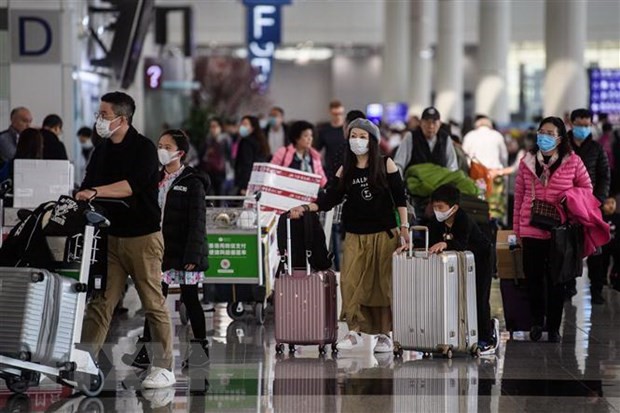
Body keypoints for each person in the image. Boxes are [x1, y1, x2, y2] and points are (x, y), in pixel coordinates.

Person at [76, 91, 175, 389]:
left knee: (152, 302)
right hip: (111, 237)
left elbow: (131, 186)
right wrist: (84, 195)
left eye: (104, 115)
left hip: (143, 238)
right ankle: (82, 359)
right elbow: (87, 183)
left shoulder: (144, 149)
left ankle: (164, 366)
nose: (99, 120)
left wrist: (96, 192)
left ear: (122, 119)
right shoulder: (102, 149)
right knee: (102, 301)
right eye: (99, 114)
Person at [290, 118, 410, 353]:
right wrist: (305, 208)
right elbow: (328, 199)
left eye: (362, 137)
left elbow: (400, 198)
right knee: (350, 282)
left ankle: (385, 334)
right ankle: (354, 330)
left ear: (372, 141)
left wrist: (404, 228)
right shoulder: (345, 170)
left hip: (384, 235)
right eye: (353, 136)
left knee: (382, 285)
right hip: (355, 234)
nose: (357, 140)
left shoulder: (387, 165)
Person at [123, 129, 210, 371]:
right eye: (159, 145)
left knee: (190, 298)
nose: (161, 150)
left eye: (167, 146)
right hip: (158, 249)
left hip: (184, 251)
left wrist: (193, 255)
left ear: (180, 153)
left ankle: (200, 351)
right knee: (154, 299)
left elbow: (198, 222)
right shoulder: (154, 177)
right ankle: (145, 351)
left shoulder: (192, 182)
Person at [513, 116, 592, 342]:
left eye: (550, 134)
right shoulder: (527, 161)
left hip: (560, 230)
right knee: (533, 278)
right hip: (531, 227)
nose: (544, 137)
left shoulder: (573, 161)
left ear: (559, 138)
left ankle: (554, 326)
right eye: (541, 132)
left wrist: (569, 198)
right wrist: (517, 230)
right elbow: (519, 196)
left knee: (558, 280)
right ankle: (537, 322)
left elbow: (587, 188)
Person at [427, 184, 499, 354]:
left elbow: (461, 243)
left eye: (441, 207)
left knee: (479, 298)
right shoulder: (436, 222)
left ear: (454, 207)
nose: (437, 211)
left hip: (481, 260)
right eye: (435, 207)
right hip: (459, 264)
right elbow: (430, 243)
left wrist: (446, 243)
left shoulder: (463, 219)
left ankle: (486, 338)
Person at [565, 108, 610, 304]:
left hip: (590, 205)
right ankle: (568, 286)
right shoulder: (563, 147)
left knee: (595, 248)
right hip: (567, 205)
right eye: (579, 125)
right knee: (567, 247)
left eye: (586, 125)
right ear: (571, 123)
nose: (582, 128)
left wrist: (598, 200)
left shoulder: (597, 148)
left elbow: (604, 175)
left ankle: (596, 289)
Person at [393, 106, 459, 176]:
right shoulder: (411, 137)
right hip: (415, 183)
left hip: (440, 183)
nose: (430, 126)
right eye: (427, 122)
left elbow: (452, 167)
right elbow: (399, 163)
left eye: (434, 123)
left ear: (439, 124)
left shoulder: (445, 139)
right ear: (421, 123)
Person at [270, 120, 327, 187]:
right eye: (306, 136)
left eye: (311, 136)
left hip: (309, 193)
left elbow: (322, 178)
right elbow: (271, 172)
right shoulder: (283, 152)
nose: (310, 139)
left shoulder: (314, 156)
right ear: (296, 138)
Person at [233, 115, 269, 195]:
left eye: (245, 124)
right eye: (241, 124)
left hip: (246, 183)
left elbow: (246, 164)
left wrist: (244, 186)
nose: (242, 127)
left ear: (253, 127)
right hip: (259, 181)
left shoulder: (246, 142)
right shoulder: (261, 142)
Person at [315, 100, 346, 181]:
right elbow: (317, 149)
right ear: (330, 113)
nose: (338, 116)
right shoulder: (324, 130)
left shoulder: (348, 129)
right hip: (330, 168)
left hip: (347, 166)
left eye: (340, 114)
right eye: (335, 114)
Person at [199, 117, 231, 198]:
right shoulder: (207, 140)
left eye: (215, 126)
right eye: (211, 126)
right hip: (208, 171)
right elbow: (201, 156)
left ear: (220, 127)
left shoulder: (225, 140)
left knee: (220, 194)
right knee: (209, 194)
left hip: (220, 171)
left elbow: (229, 156)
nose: (212, 129)